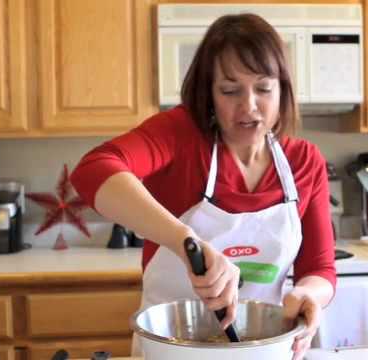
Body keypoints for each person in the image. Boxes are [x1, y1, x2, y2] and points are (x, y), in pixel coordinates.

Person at [70, 13, 335, 359]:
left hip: (262, 350)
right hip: (171, 349)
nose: (249, 106)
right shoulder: (181, 137)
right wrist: (187, 242)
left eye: (264, 88)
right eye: (229, 90)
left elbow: (319, 269)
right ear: (208, 93)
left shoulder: (304, 161)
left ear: (282, 89)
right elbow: (92, 171)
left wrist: (309, 296)